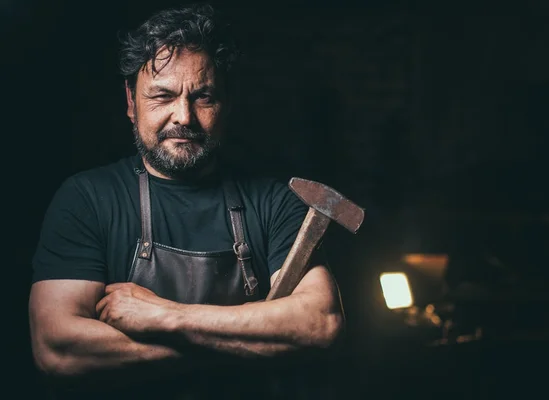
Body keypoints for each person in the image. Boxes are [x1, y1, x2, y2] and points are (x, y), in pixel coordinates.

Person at [28, 3, 344, 399]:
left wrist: (164, 316)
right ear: (131, 102)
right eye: (162, 95)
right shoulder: (86, 199)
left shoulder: (274, 203)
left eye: (203, 97)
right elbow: (58, 348)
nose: (184, 117)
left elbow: (319, 324)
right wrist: (244, 343)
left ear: (226, 103)